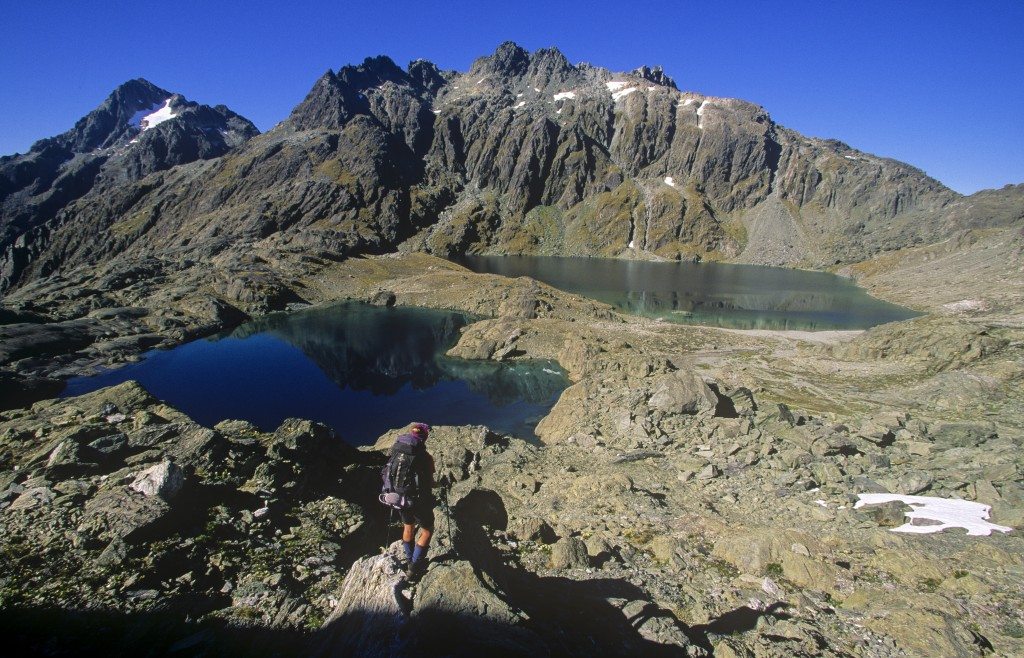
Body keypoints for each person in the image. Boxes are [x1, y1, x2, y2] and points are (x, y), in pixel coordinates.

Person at [386, 422, 435, 580]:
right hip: (417, 500)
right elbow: (429, 481)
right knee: (427, 530)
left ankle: (409, 559)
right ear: (424, 437)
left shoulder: (397, 450)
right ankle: (415, 566)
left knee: (408, 526)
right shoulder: (424, 457)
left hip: (398, 497)